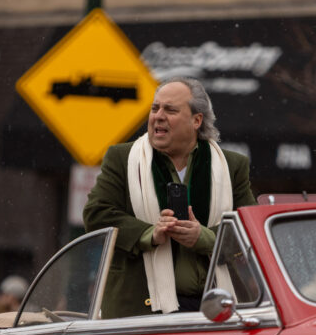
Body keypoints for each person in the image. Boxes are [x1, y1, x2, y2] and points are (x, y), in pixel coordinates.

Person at [83, 76, 256, 318]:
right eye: (155, 108)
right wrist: (149, 234)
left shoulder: (232, 165)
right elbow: (96, 214)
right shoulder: (122, 158)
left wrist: (205, 238)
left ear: (196, 120)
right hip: (139, 310)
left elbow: (250, 229)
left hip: (215, 310)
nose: (158, 116)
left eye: (170, 110)